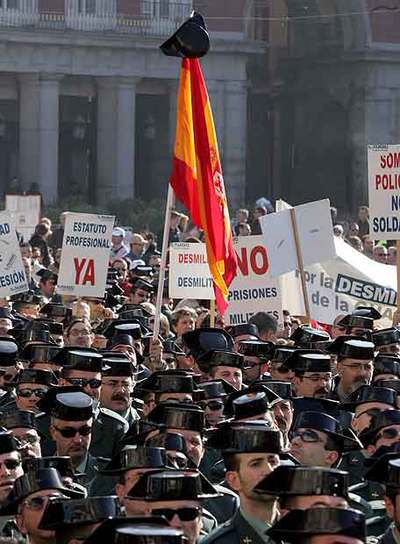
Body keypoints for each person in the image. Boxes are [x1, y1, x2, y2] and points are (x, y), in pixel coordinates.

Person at [202, 421, 283, 544]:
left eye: (273, 461)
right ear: (234, 480)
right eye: (256, 464)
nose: (269, 470)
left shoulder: (303, 536)